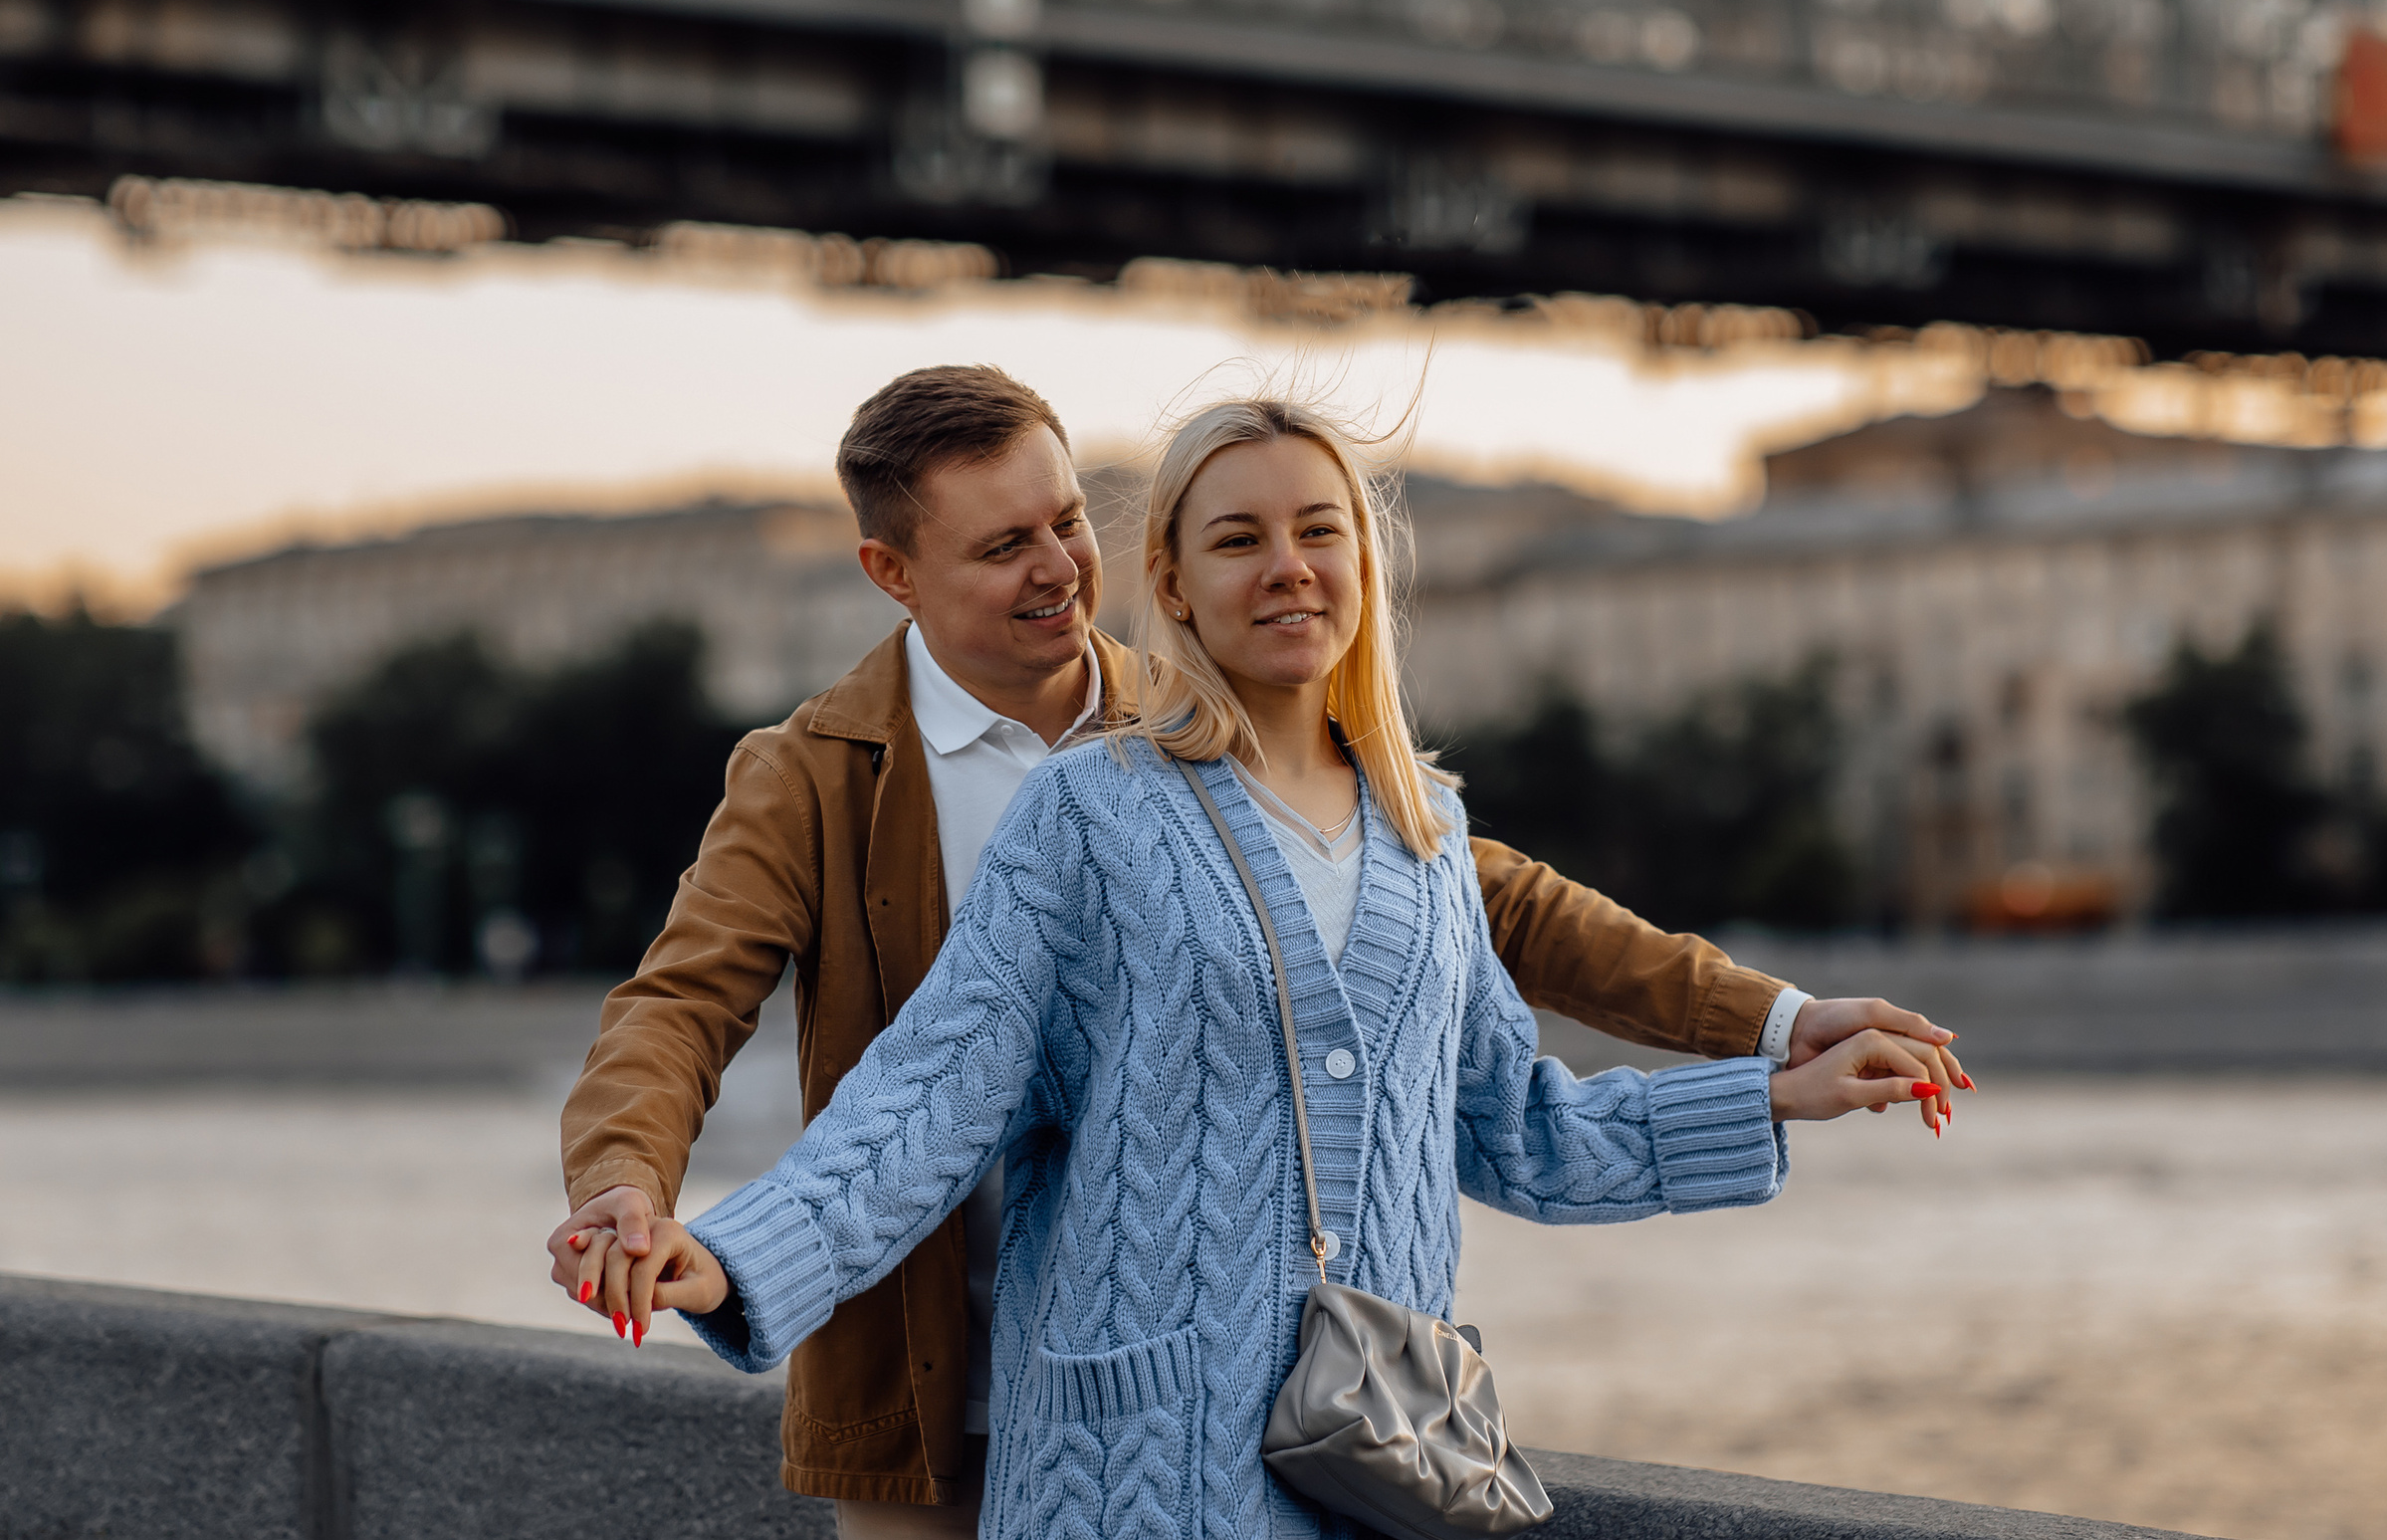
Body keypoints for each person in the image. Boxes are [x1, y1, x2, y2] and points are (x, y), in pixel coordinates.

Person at [548, 367, 1968, 1533]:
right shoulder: (1017, 794)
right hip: (1057, 1419)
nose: (1056, 569)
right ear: (893, 572)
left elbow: (1519, 1091)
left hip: (1368, 1449)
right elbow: (898, 1083)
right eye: (1002, 546)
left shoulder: (1408, 823)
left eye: (1065, 525)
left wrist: (1775, 1053)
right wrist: (701, 1241)